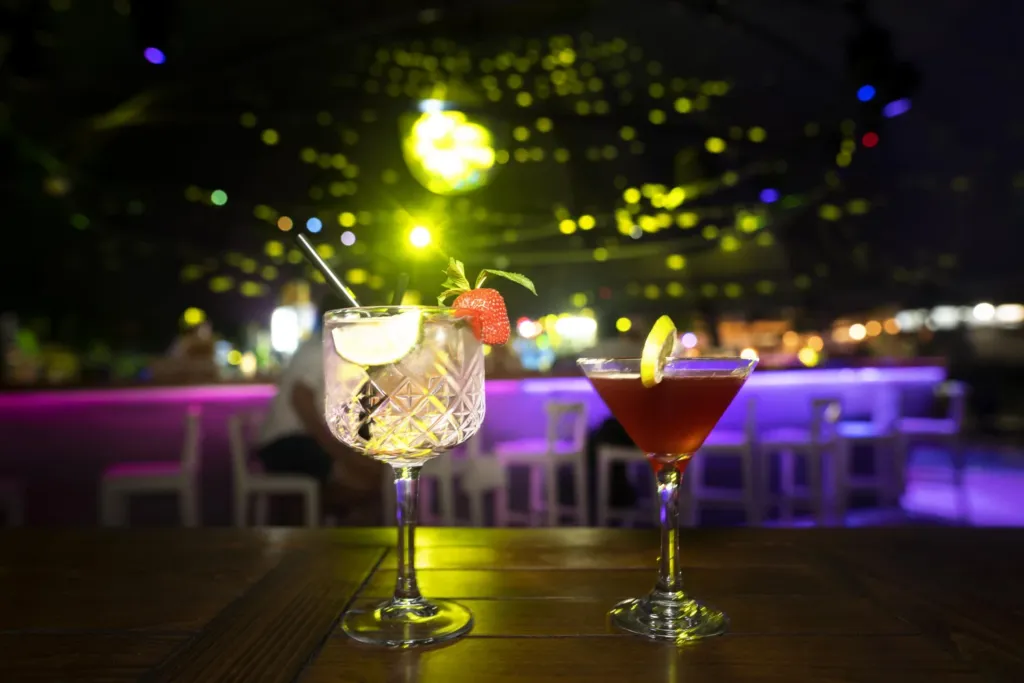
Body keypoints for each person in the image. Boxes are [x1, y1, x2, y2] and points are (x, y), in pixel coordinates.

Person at [257, 295, 383, 523]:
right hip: (286, 442)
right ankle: (307, 523)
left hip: (300, 440)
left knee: (373, 473)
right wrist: (339, 451)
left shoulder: (332, 347)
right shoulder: (322, 348)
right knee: (364, 477)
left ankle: (317, 522)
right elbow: (300, 400)